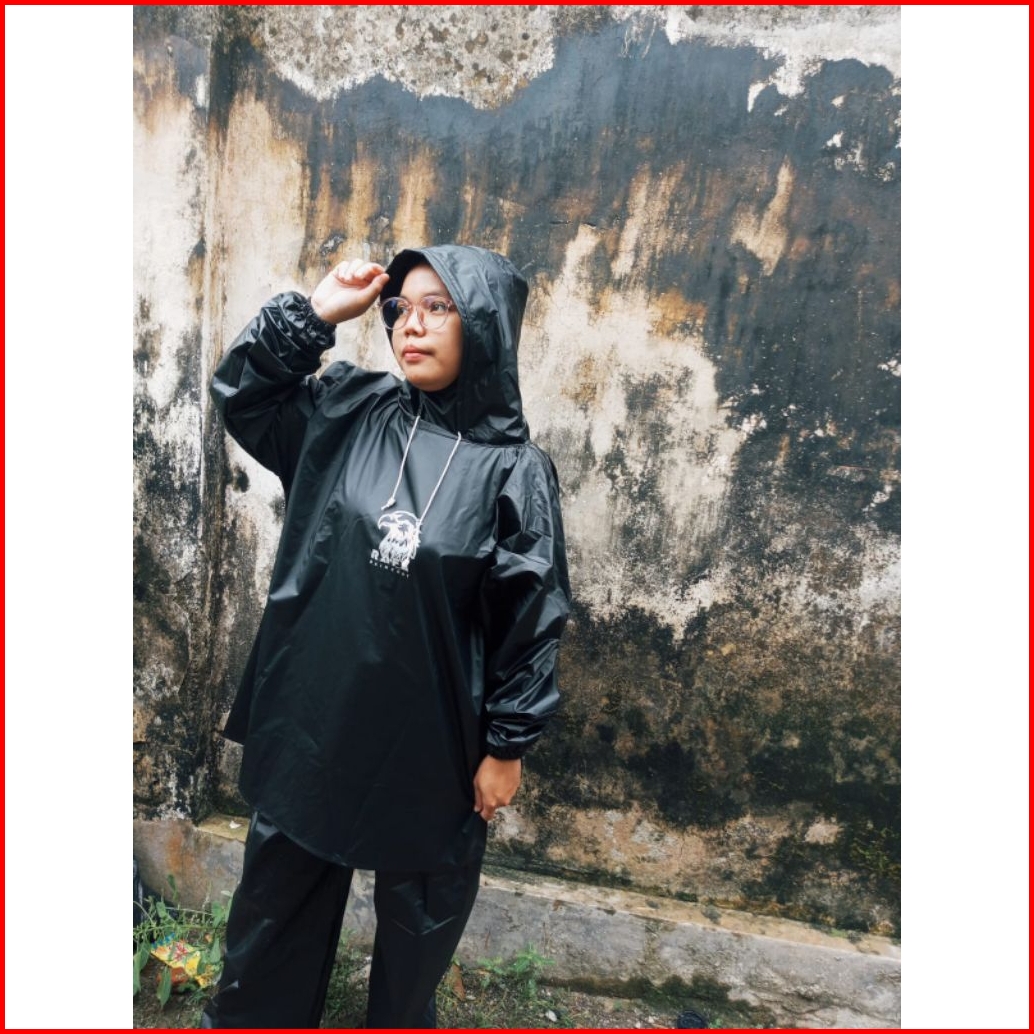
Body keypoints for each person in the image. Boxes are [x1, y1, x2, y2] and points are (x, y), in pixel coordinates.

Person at [201, 245, 571, 1029]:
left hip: (433, 736)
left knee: (419, 920)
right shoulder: (350, 411)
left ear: (485, 325)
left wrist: (506, 748)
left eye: (439, 307)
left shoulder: (515, 473)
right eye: (401, 308)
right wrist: (316, 313)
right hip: (316, 712)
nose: (412, 324)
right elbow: (246, 396)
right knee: (275, 900)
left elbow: (531, 617)